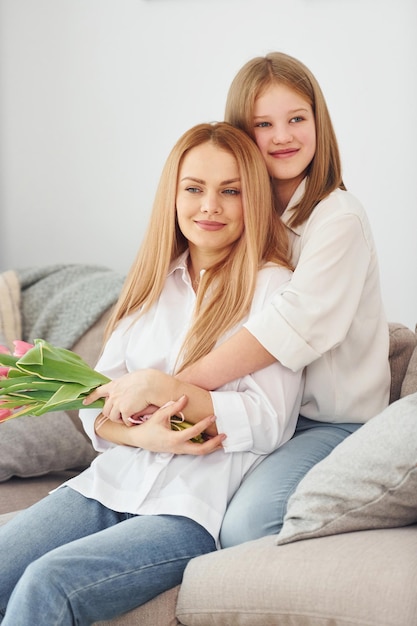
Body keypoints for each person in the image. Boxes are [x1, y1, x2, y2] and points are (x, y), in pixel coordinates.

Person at [0, 122, 303, 625]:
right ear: (174, 194)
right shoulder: (150, 283)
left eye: (231, 191)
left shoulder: (276, 290)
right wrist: (149, 439)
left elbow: (269, 419)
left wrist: (165, 392)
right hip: (109, 484)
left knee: (49, 582)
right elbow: (99, 410)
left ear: (255, 199)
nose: (210, 206)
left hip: (188, 512)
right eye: (195, 189)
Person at [86, 52, 391, 549]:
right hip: (269, 412)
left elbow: (287, 329)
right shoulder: (245, 209)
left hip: (327, 422)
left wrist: (169, 387)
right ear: (242, 135)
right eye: (263, 124)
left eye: (297, 119)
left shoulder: (338, 219)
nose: (282, 136)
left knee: (246, 525)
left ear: (319, 122)